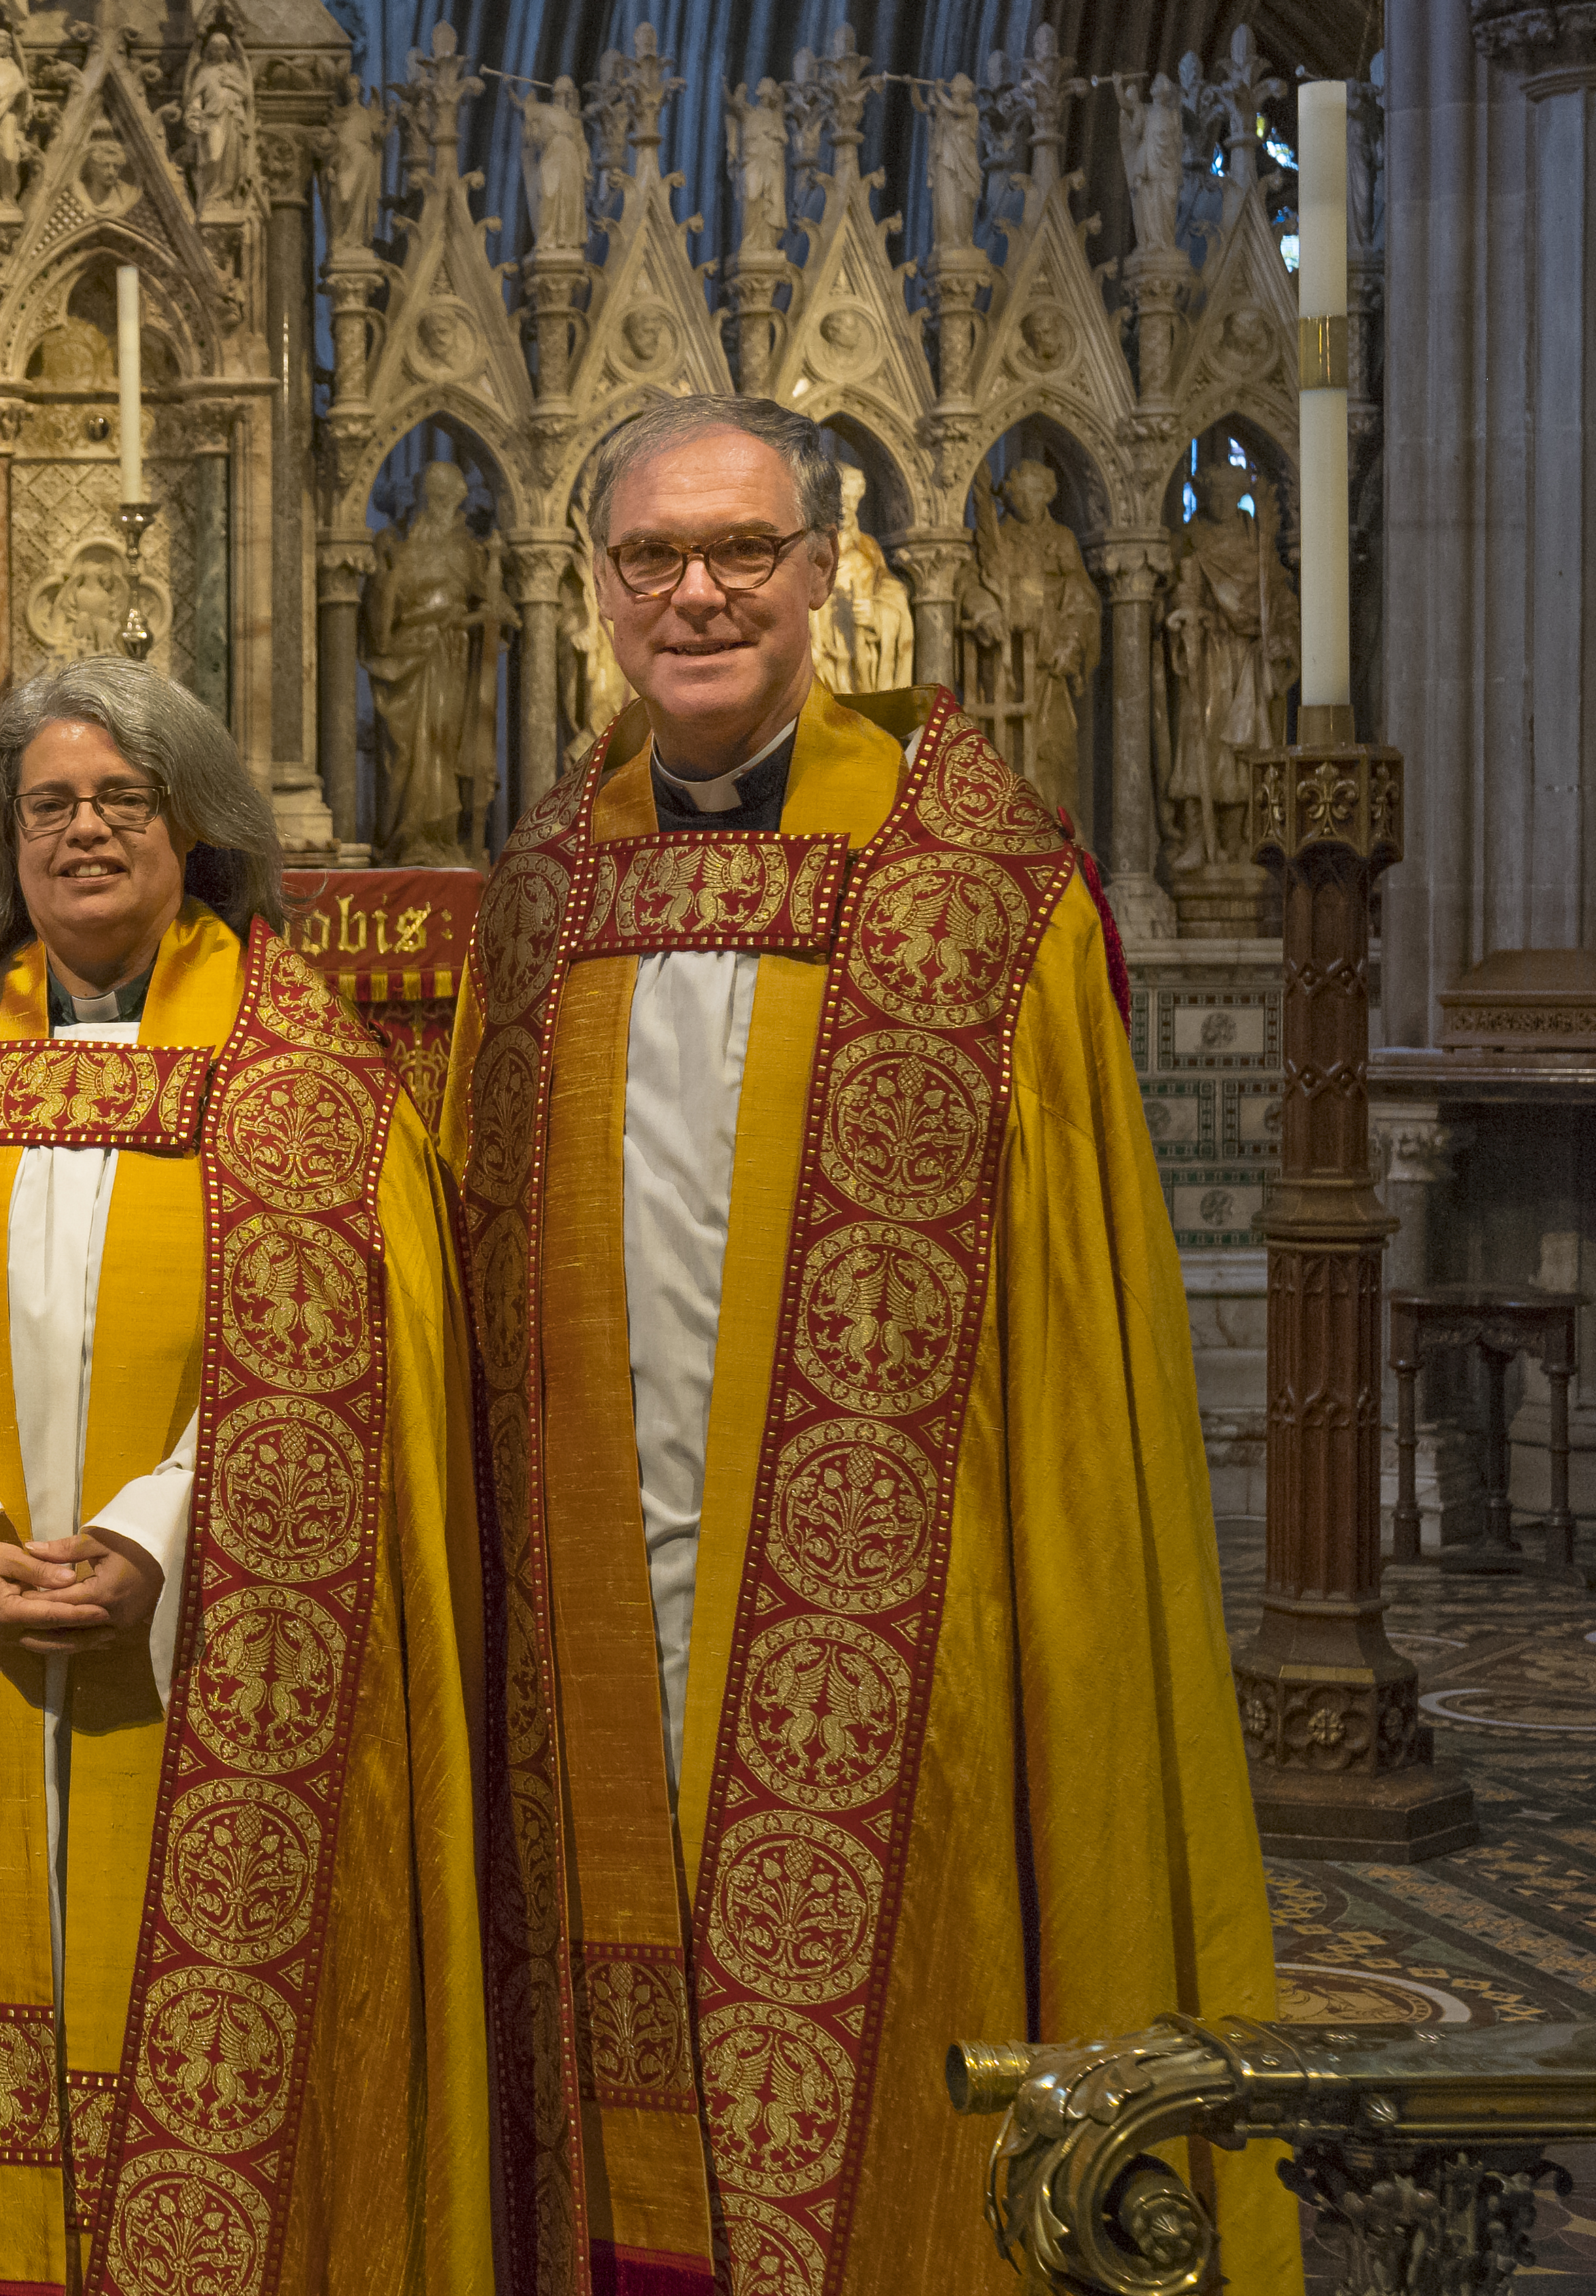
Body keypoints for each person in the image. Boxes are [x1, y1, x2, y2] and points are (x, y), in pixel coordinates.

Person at [449, 394, 1286, 2293]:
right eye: (654, 558)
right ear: (596, 596)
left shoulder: (977, 900)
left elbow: (1081, 1341)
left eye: (744, 549)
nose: (700, 594)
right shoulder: (544, 897)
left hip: (909, 1630)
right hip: (597, 1612)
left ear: (830, 576)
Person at [0, 658, 489, 2293]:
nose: (80, 833)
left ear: (195, 827)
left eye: (118, 801)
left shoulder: (309, 1085)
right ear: (4, 842)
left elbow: (341, 1362)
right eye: (47, 804)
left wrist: (153, 1540)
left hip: (210, 1645)